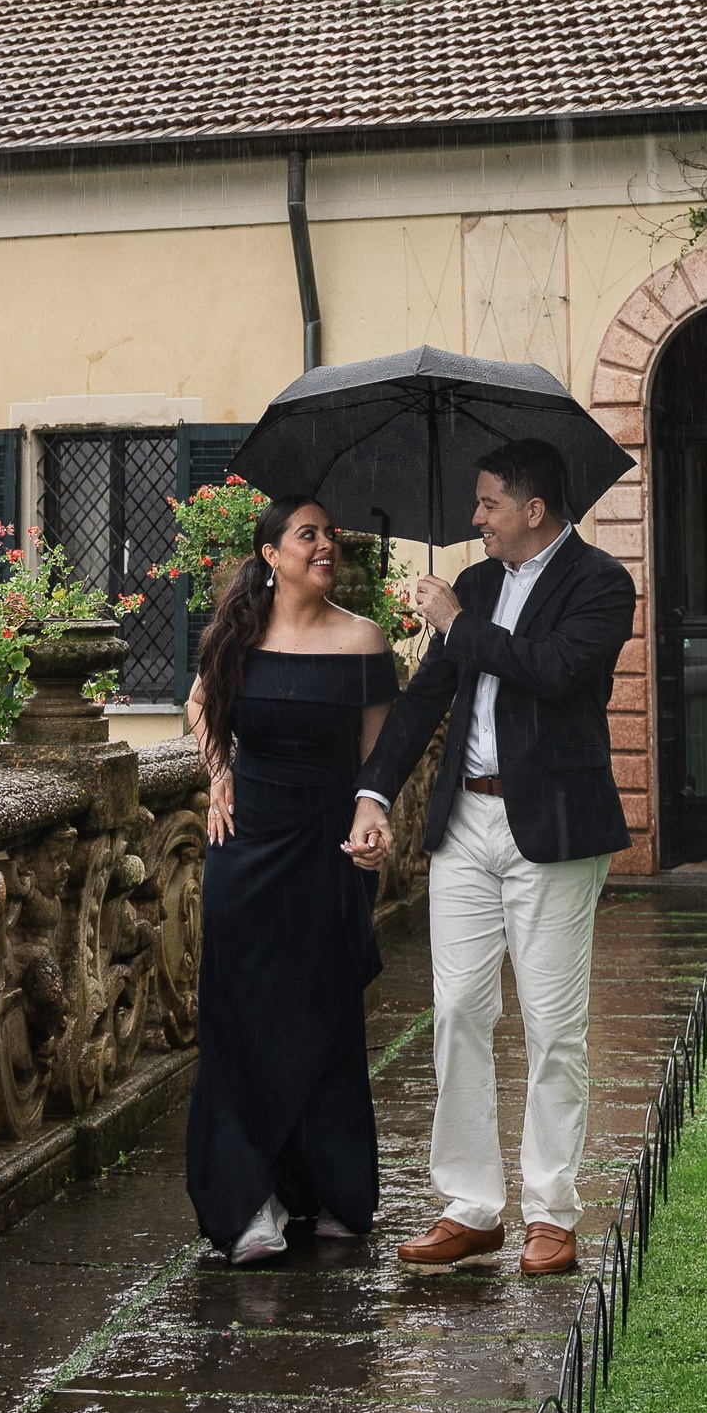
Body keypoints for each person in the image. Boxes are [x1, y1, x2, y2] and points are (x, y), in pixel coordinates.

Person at [346, 441, 636, 1278]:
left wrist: (458, 626)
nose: (475, 519)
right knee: (460, 1011)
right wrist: (373, 792)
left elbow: (553, 673)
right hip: (464, 822)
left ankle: (552, 1211)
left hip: (551, 825)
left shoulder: (599, 584)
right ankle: (471, 1207)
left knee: (553, 1026)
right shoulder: (473, 588)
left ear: (532, 509)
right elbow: (425, 702)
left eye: (487, 505)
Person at [183, 495, 397, 1266]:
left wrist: (378, 825)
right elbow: (201, 704)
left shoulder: (363, 638)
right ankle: (250, 1202)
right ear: (271, 553)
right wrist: (218, 777)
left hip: (330, 851)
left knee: (326, 1014)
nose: (325, 544)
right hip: (247, 847)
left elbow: (378, 763)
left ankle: (333, 1188)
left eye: (330, 532)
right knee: (243, 1019)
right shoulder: (236, 635)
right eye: (309, 534)